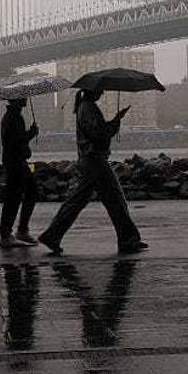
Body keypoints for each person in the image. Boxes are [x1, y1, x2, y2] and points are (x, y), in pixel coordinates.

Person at [37, 89, 147, 254]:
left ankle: (52, 235)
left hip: (89, 161)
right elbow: (99, 134)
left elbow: (98, 131)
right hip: (95, 161)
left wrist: (114, 122)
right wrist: (116, 121)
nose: (102, 93)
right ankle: (128, 240)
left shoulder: (85, 107)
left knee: (76, 201)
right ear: (92, 91)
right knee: (115, 199)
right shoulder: (88, 108)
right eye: (100, 91)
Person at [0, 98, 39, 248]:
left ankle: (20, 230)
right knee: (14, 197)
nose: (26, 99)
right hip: (15, 162)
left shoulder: (14, 117)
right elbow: (15, 141)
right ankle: (7, 234)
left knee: (28, 192)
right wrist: (31, 134)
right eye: (23, 97)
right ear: (16, 99)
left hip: (17, 161)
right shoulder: (12, 118)